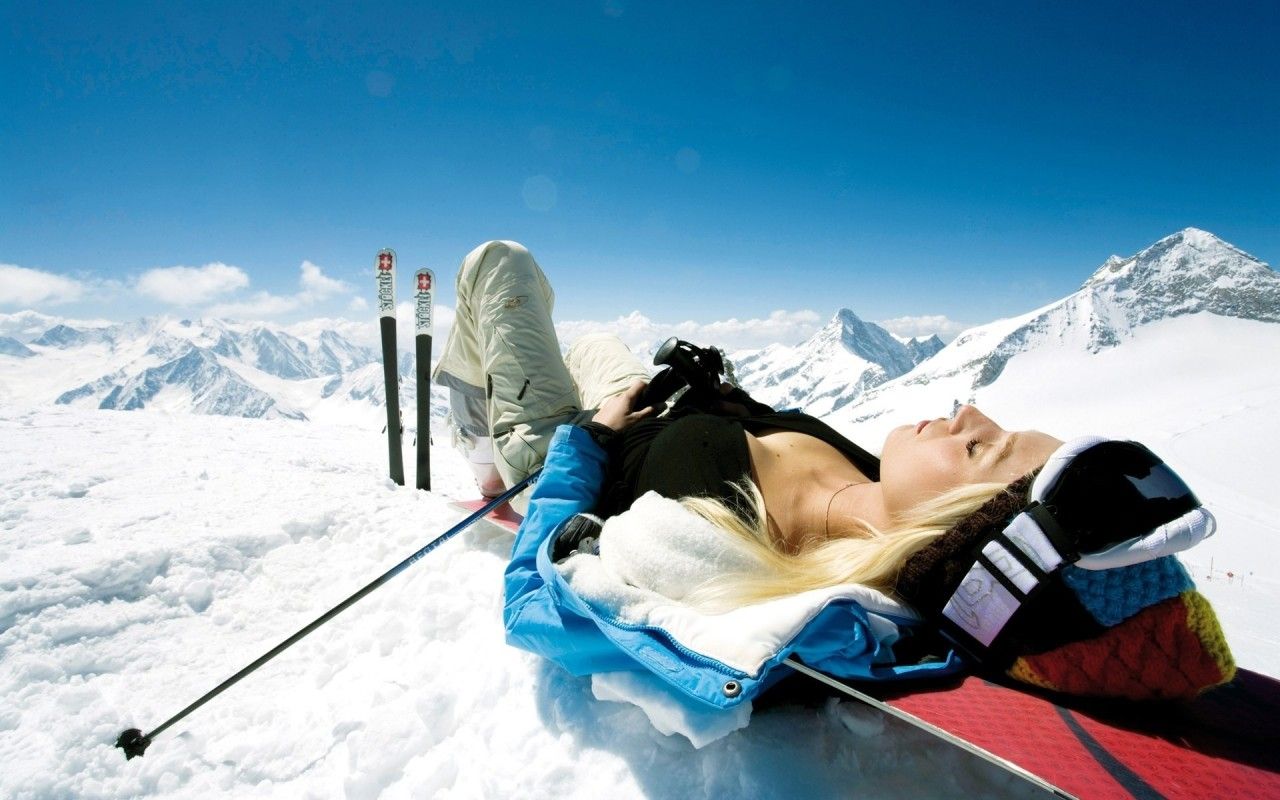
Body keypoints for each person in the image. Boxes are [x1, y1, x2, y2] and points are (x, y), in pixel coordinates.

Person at [435, 240, 1234, 745]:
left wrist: (587, 442)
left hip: (571, 443)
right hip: (656, 403)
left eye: (979, 447)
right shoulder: (878, 480)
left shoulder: (731, 558)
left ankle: (481, 448)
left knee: (499, 265)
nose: (970, 412)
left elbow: (539, 599)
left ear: (951, 529)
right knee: (594, 339)